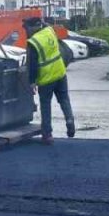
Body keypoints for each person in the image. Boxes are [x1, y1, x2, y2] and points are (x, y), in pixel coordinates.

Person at [24, 15, 75, 145]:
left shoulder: (33, 42)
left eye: (27, 28)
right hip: (60, 73)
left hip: (46, 79)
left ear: (32, 28)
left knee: (46, 106)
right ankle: (69, 120)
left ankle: (47, 135)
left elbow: (32, 65)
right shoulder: (50, 31)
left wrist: (32, 82)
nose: (26, 31)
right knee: (64, 99)